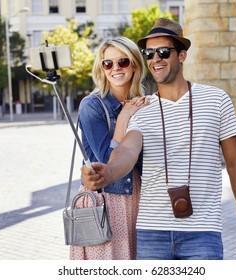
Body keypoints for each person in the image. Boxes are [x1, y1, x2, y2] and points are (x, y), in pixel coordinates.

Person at [81, 18, 236, 260]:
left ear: (182, 55)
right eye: (150, 53)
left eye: (164, 52)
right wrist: (106, 172)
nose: (156, 59)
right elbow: (126, 153)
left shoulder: (216, 100)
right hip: (150, 234)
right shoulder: (141, 109)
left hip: (202, 232)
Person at [69, 36, 147, 260]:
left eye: (122, 61)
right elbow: (107, 162)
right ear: (101, 69)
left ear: (134, 64)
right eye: (108, 63)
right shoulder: (91, 105)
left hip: (137, 199)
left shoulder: (144, 103)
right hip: (103, 201)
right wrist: (123, 117)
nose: (115, 68)